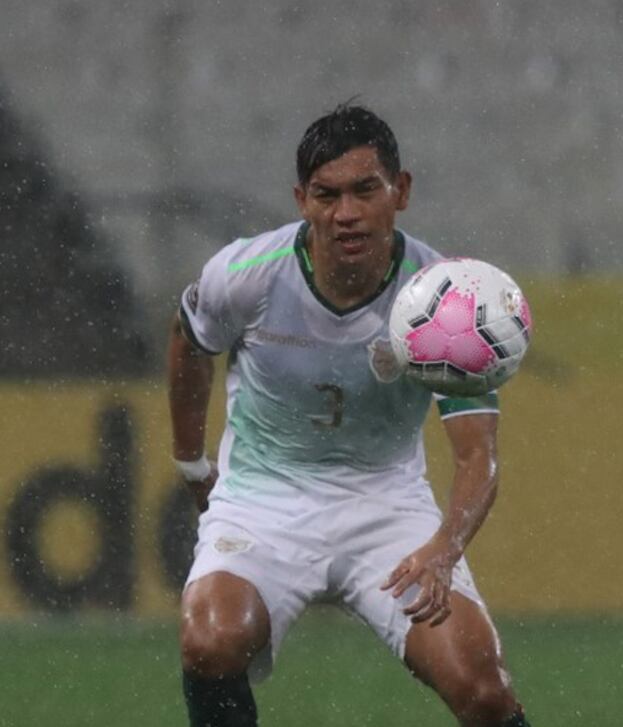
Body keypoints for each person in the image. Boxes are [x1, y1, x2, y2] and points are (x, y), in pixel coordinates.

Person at [169, 103, 531, 727]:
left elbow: (479, 455)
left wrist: (444, 548)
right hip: (265, 499)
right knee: (210, 640)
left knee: (484, 691)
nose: (346, 213)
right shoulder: (246, 273)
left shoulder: (447, 299)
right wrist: (191, 463)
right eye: (326, 194)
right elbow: (189, 342)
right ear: (301, 200)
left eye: (366, 190)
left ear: (402, 191)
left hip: (388, 507)